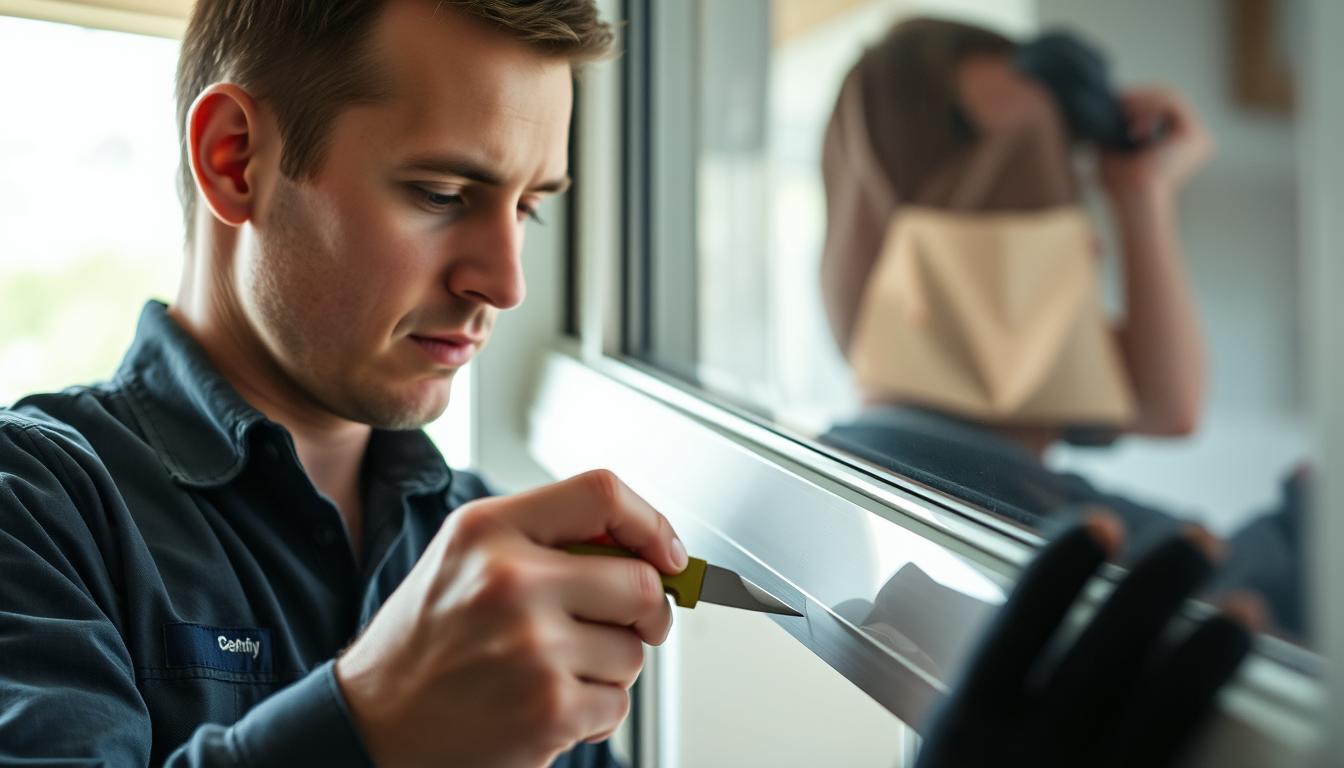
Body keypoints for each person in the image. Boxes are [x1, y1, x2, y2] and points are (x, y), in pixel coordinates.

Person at [0, 2, 1257, 766]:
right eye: (443, 194)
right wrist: (371, 731)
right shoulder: (39, 509)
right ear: (233, 162)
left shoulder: (486, 544)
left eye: (531, 207)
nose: (503, 279)